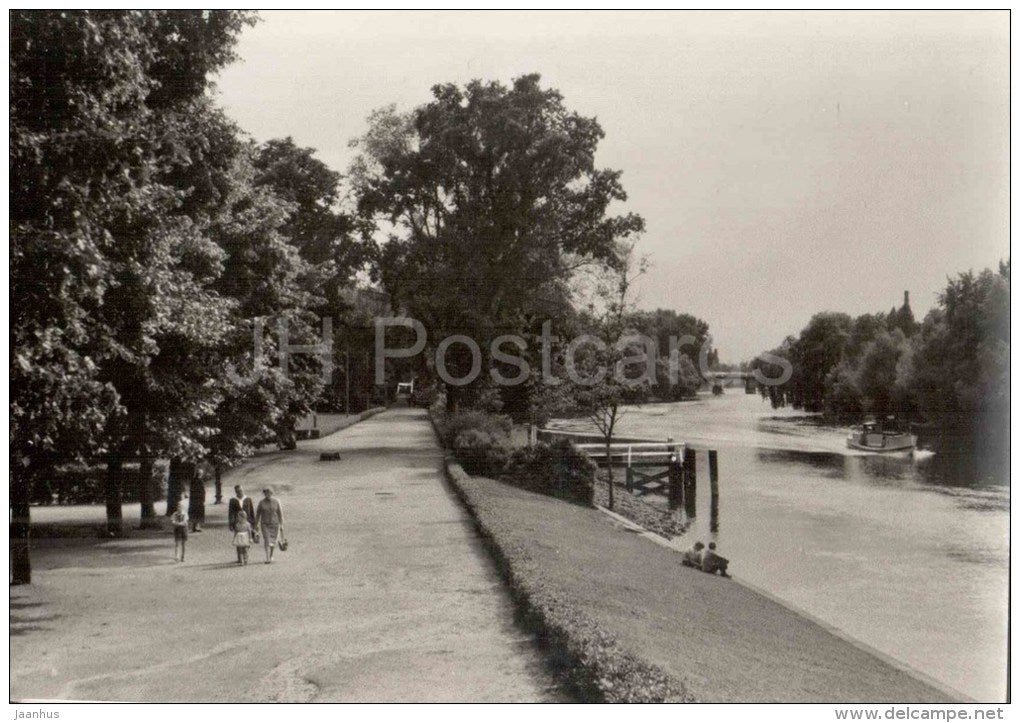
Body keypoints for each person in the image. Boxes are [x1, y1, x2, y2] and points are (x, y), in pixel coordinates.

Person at [254, 487, 284, 564]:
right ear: (264, 494)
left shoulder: (276, 501)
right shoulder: (261, 502)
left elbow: (280, 514)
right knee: (267, 540)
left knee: (273, 541)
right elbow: (258, 514)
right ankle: (267, 558)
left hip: (275, 524)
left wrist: (281, 525)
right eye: (266, 493)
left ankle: (271, 555)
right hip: (265, 524)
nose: (268, 494)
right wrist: (256, 524)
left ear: (272, 493)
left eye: (269, 493)